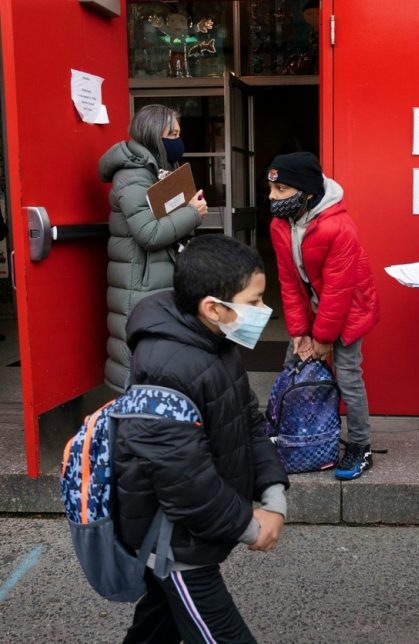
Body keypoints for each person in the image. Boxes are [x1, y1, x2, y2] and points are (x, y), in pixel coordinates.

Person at [114, 234, 290, 643]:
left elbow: (248, 422)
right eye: (254, 302)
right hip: (174, 543)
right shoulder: (167, 368)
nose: (265, 311)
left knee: (154, 630)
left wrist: (273, 493)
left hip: (188, 532)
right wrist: (249, 525)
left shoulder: (214, 342)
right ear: (213, 307)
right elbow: (185, 483)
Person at [267, 152, 381, 480]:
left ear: (306, 192)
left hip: (347, 309)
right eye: (271, 189)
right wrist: (299, 332)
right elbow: (288, 282)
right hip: (316, 309)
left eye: (281, 190)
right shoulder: (280, 225)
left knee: (347, 375)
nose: (272, 198)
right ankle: (291, 435)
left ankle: (361, 446)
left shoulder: (338, 226)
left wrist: (323, 340)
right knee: (293, 367)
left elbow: (339, 291)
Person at [99, 104, 208, 392]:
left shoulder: (156, 170)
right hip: (140, 284)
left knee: (158, 362)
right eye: (171, 134)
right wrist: (193, 213)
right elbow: (148, 233)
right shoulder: (133, 175)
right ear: (151, 135)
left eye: (179, 133)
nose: (178, 140)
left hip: (157, 281)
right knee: (137, 368)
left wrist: (186, 208)